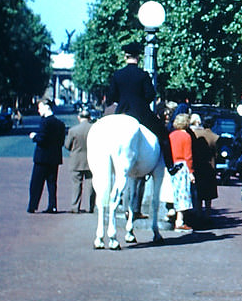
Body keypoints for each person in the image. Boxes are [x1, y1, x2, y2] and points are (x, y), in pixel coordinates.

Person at [105, 41, 179, 175]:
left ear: (125, 57)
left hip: (121, 111)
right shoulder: (143, 75)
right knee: (163, 134)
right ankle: (170, 166)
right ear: (138, 58)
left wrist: (121, 100)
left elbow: (111, 96)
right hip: (140, 112)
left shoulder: (117, 74)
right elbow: (150, 94)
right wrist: (141, 102)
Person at [27, 97, 66, 213]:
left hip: (42, 158)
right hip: (54, 158)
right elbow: (61, 142)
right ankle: (52, 206)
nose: (39, 111)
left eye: (40, 108)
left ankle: (33, 206)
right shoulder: (60, 124)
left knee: (36, 184)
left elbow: (42, 139)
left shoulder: (45, 122)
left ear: (46, 107)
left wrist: (34, 136)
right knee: (52, 184)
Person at [64, 109, 94, 213]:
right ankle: (90, 206)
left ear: (79, 117)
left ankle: (75, 207)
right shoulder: (93, 129)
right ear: (89, 118)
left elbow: (67, 145)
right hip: (91, 160)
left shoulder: (73, 130)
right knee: (90, 185)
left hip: (76, 161)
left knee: (76, 184)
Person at [168, 113, 195, 230]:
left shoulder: (171, 135)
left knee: (173, 192)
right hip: (182, 166)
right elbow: (188, 156)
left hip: (171, 165)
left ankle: (171, 212)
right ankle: (179, 221)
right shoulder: (186, 136)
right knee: (182, 194)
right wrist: (191, 172)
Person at [190, 114, 219, 215]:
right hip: (209, 167)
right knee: (208, 193)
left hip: (197, 166)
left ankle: (198, 212)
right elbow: (216, 154)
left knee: (198, 191)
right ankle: (207, 213)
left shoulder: (196, 134)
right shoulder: (215, 137)